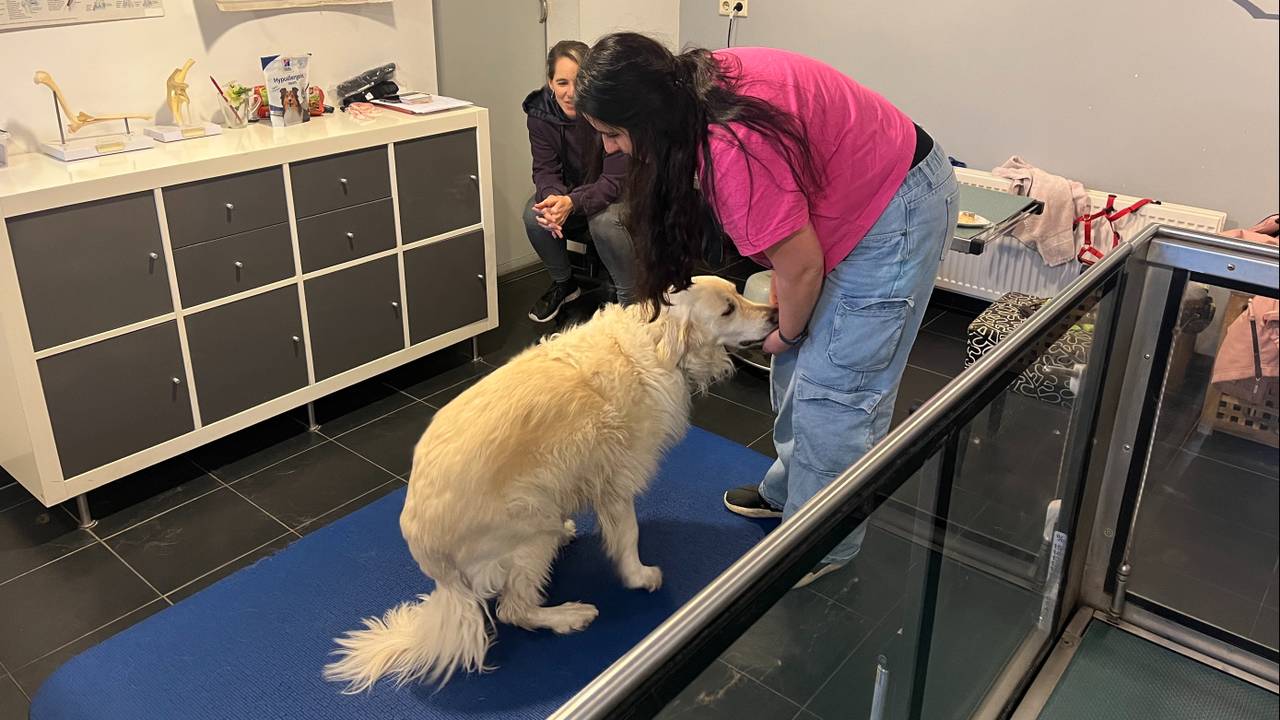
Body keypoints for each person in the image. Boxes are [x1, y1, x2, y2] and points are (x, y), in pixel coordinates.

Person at [576, 33, 958, 587]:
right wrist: (788, 318)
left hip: (896, 207)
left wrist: (785, 329)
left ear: (648, 118)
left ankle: (822, 542)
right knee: (795, 369)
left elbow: (800, 266)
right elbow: (793, 254)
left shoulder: (729, 148)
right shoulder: (690, 84)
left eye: (613, 134)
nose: (611, 149)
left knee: (838, 391)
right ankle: (788, 492)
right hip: (848, 196)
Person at [522, 40, 637, 322]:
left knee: (604, 221)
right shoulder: (540, 115)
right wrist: (553, 200)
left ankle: (632, 303)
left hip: (625, 193)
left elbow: (614, 181)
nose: (570, 93)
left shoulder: (609, 110)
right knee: (534, 212)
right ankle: (565, 284)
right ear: (550, 82)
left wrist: (571, 202)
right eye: (562, 82)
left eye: (578, 82)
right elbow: (545, 170)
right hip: (576, 193)